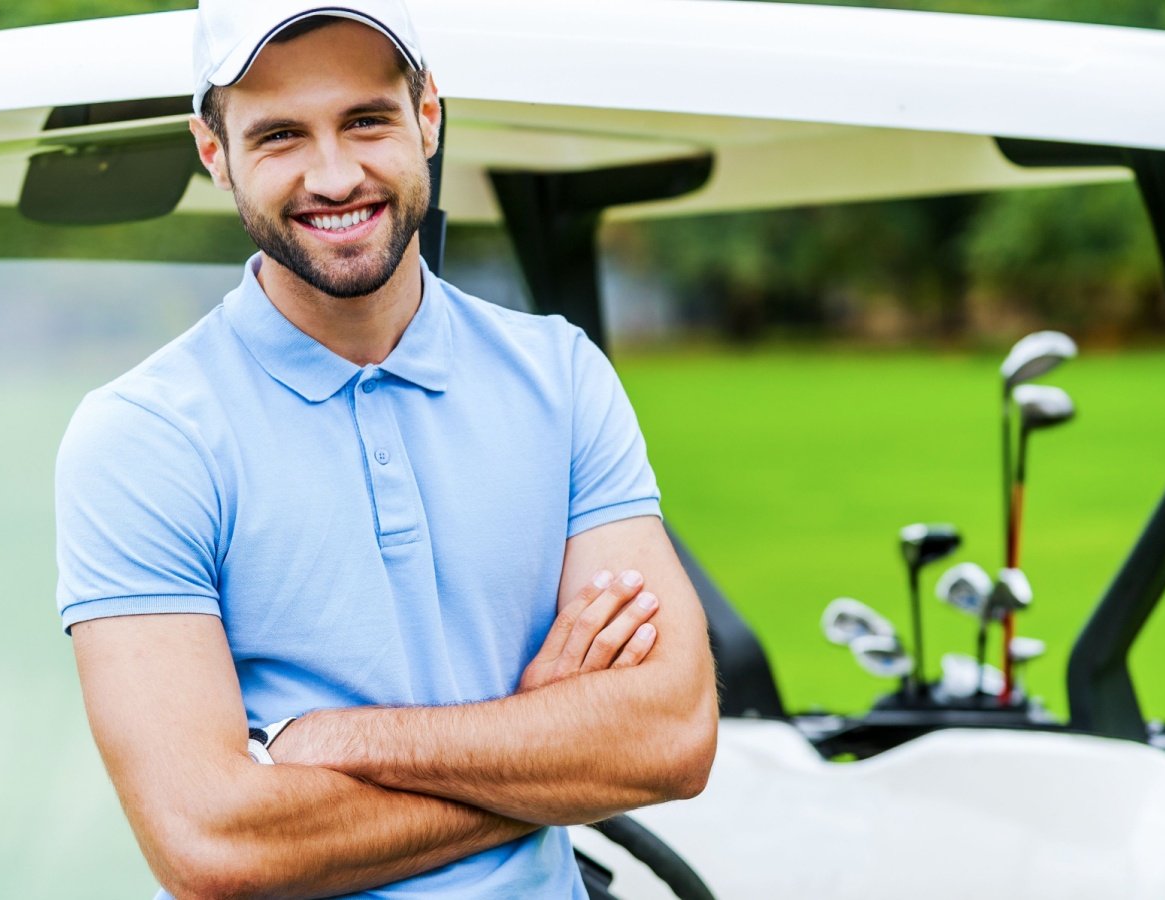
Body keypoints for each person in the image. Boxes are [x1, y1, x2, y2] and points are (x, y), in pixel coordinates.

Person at [53, 1, 719, 897]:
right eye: (280, 134)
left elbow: (669, 736)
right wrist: (551, 754)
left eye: (365, 119)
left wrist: (338, 740)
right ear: (214, 154)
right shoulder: (144, 436)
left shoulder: (558, 373)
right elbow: (212, 845)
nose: (333, 176)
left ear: (428, 117)